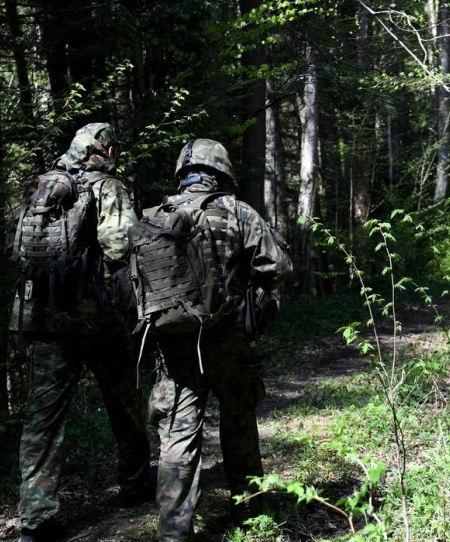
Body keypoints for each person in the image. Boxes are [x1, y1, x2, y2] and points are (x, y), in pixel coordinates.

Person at [9, 123, 153, 542]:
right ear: (104, 149)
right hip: (96, 317)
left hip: (41, 316)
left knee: (42, 417)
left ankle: (36, 518)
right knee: (123, 399)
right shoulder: (108, 186)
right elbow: (120, 247)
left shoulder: (43, 187)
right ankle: (135, 482)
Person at [147, 138, 292, 541]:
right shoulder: (238, 211)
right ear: (222, 171)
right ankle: (249, 513)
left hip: (174, 344)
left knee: (177, 434)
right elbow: (278, 266)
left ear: (182, 174)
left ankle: (174, 530)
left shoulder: (158, 214)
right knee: (239, 422)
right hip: (228, 340)